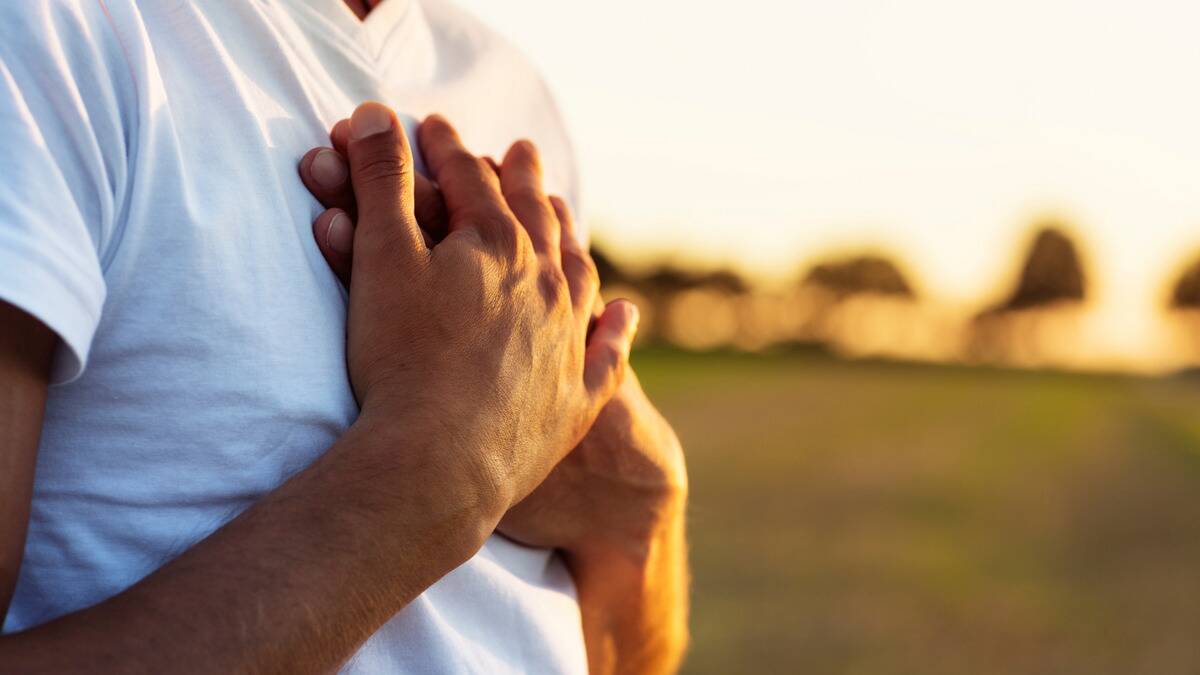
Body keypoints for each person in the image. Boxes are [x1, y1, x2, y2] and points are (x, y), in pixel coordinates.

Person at [0, 1, 687, 673]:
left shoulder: (514, 90)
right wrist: (447, 462)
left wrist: (646, 511)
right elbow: (467, 450)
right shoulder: (51, 31)